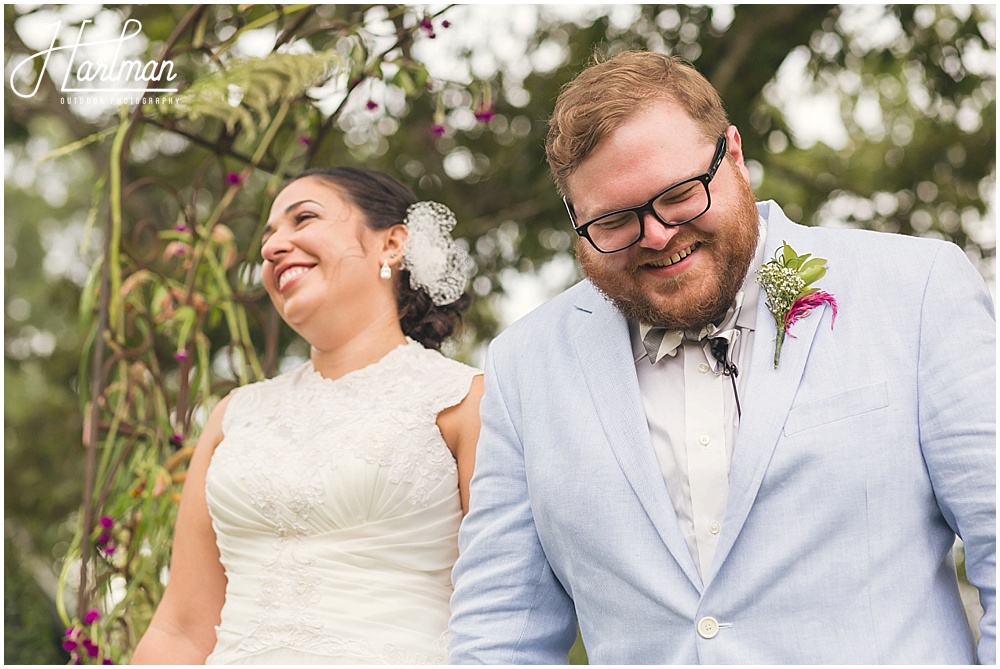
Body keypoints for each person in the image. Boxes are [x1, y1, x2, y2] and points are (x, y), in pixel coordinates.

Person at [449, 50, 995, 664]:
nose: (656, 235)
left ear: (733, 153)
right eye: (613, 220)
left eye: (679, 194)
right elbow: (499, 631)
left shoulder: (914, 289)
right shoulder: (525, 366)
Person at [133, 166, 483, 664]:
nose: (273, 248)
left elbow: (506, 610)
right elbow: (181, 630)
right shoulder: (234, 416)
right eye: (268, 236)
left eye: (304, 218)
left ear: (391, 244)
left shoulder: (463, 402)